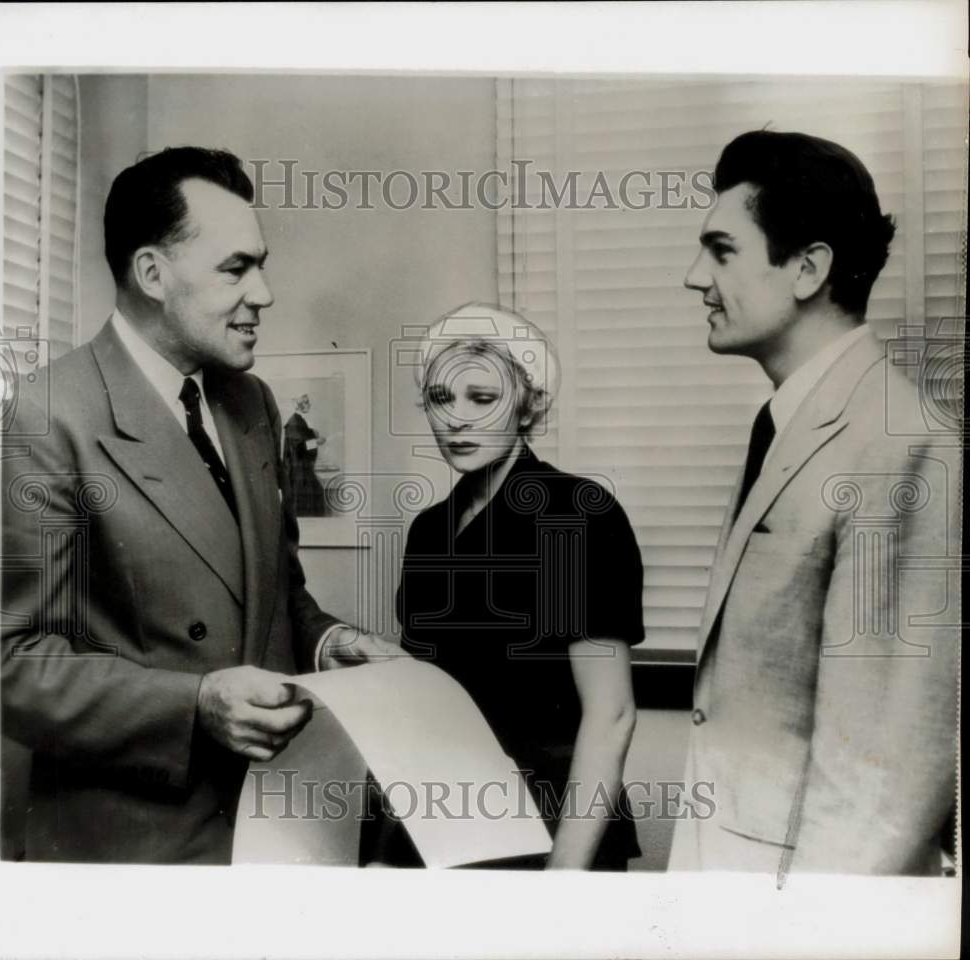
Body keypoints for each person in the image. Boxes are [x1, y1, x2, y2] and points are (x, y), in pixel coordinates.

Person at [0, 146, 399, 863]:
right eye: (237, 267)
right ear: (153, 273)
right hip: (133, 852)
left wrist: (328, 642)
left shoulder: (251, 405)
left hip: (275, 828)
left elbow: (277, 596)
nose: (266, 294)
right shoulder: (47, 413)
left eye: (262, 263)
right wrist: (194, 704)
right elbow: (12, 662)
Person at [669, 130, 959, 875]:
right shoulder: (790, 420)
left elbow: (882, 780)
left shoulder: (900, 446)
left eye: (721, 249)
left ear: (808, 268)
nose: (694, 277)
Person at [387, 302, 643, 870]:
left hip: (554, 828)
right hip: (445, 824)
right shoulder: (429, 529)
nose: (457, 419)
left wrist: (563, 878)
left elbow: (613, 715)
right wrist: (388, 843)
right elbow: (419, 707)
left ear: (532, 407)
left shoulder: (578, 514)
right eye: (440, 398)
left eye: (483, 399)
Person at [283, 393, 326, 516]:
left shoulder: (299, 420)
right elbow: (299, 447)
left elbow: (302, 439)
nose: (309, 404)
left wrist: (312, 433)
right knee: (313, 496)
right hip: (298, 471)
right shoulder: (294, 421)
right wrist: (316, 441)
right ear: (298, 404)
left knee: (316, 494)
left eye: (308, 402)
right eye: (306, 402)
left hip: (302, 468)